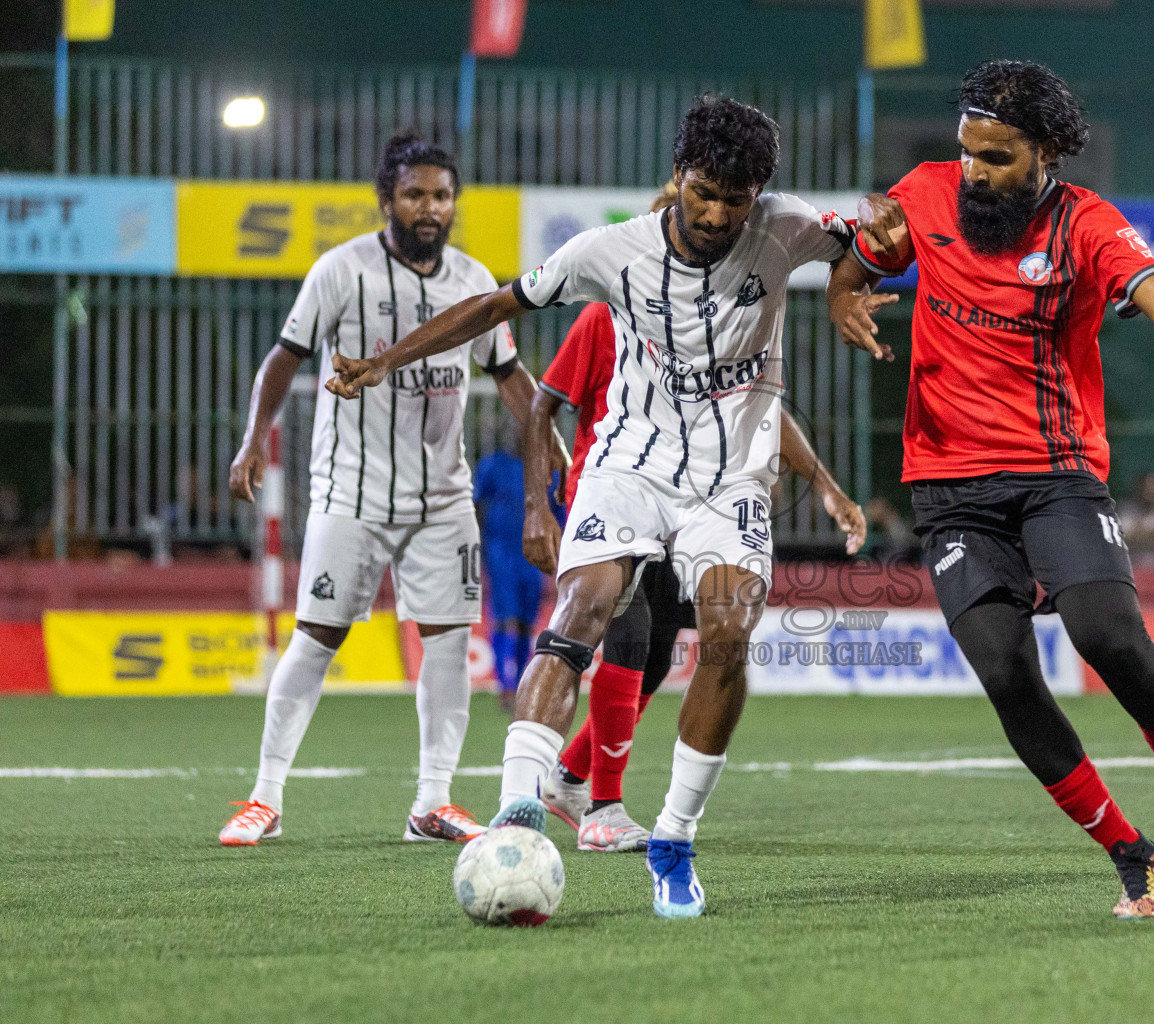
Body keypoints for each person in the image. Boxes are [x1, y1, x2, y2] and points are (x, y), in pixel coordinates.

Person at [829, 60, 1154, 918]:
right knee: (1004, 669)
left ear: (1043, 153)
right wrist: (842, 297)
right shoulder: (925, 195)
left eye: (996, 158)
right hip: (949, 486)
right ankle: (1129, 850)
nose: (974, 172)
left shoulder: (1086, 225)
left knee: (1104, 631)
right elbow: (859, 258)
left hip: (1054, 473)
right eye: (967, 153)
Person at [327, 96, 860, 918]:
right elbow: (495, 308)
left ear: (760, 192)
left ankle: (675, 841)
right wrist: (386, 360)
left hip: (732, 481)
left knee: (727, 634)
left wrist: (847, 287)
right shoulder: (610, 252)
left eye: (737, 197)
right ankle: (517, 813)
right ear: (679, 176)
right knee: (585, 606)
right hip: (628, 464)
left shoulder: (786, 228)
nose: (718, 212)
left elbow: (880, 239)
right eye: (704, 191)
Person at [218, 133, 564, 848]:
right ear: (387, 201)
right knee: (315, 639)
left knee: (445, 645)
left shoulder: (473, 277)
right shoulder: (340, 272)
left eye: (441, 195)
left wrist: (546, 431)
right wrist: (256, 437)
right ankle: (265, 796)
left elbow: (507, 373)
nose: (429, 207)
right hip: (352, 490)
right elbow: (283, 359)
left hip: (442, 499)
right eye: (415, 194)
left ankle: (431, 802)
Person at [533, 288, 867, 854]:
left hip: (684, 503)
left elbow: (763, 410)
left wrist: (826, 486)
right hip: (611, 495)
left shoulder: (717, 321)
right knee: (629, 635)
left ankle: (567, 778)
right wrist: (538, 505)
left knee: (659, 651)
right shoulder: (603, 315)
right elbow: (543, 402)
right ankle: (602, 808)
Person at [473, 422, 557, 709]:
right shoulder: (492, 465)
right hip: (500, 551)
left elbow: (560, 513)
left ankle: (521, 679)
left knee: (525, 621)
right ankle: (504, 685)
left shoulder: (547, 470)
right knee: (504, 616)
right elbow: (476, 507)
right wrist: (478, 550)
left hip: (533, 554)